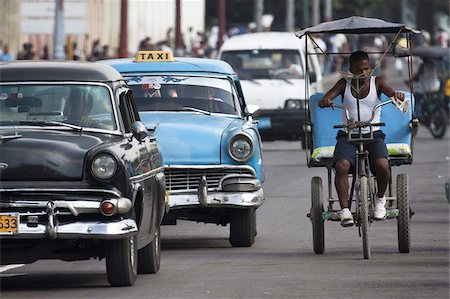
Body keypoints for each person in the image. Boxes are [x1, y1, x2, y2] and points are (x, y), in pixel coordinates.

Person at [318, 51, 405, 227]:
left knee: (382, 165)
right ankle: (345, 210)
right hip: (348, 136)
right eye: (359, 70)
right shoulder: (344, 83)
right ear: (351, 70)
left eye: (367, 68)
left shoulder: (377, 82)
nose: (364, 73)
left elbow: (392, 94)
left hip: (374, 135)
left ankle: (380, 201)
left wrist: (398, 95)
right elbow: (325, 99)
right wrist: (326, 100)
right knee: (341, 166)